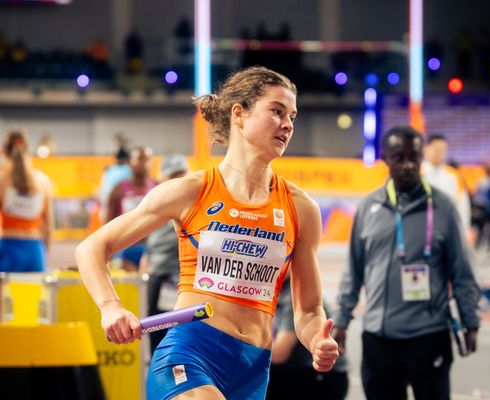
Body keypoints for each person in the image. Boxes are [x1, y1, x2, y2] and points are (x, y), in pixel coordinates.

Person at [75, 66, 339, 400]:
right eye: (276, 111)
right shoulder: (189, 191)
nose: (288, 124)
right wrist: (111, 306)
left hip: (253, 367)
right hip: (191, 352)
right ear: (239, 115)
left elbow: (310, 310)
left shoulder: (301, 209)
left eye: (293, 116)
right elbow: (92, 248)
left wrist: (317, 339)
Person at [332, 125, 480, 400]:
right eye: (399, 157)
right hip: (378, 338)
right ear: (385, 158)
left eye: (415, 157)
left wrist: (470, 320)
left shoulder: (444, 207)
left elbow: (462, 270)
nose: (408, 165)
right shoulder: (368, 207)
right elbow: (353, 269)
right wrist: (341, 320)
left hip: (428, 336)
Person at [267, 275, 349, 400]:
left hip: (324, 376)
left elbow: (279, 354)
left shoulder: (294, 294)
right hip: (302, 368)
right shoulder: (277, 289)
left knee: (260, 373)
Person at [139, 153, 189, 354]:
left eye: (180, 175)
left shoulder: (194, 202)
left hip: (179, 280)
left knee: (178, 338)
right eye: (172, 176)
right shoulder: (156, 202)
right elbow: (149, 245)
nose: (176, 180)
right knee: (158, 337)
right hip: (159, 279)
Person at [0, 129, 54, 272]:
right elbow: (48, 226)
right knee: (36, 294)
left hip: (8, 249)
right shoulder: (43, 181)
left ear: (4, 151)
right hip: (34, 250)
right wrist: (44, 252)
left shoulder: (2, 181)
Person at [105, 146, 156, 271]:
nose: (144, 163)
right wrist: (107, 253)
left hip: (151, 249)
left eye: (147, 159)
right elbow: (108, 223)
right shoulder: (118, 190)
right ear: (130, 163)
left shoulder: (157, 187)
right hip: (125, 249)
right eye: (139, 159)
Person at [421, 134, 471, 236]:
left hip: (446, 230)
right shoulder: (417, 173)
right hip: (421, 228)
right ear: (426, 149)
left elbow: (462, 206)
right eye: (436, 149)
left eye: (443, 150)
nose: (439, 153)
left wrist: (464, 231)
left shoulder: (454, 175)